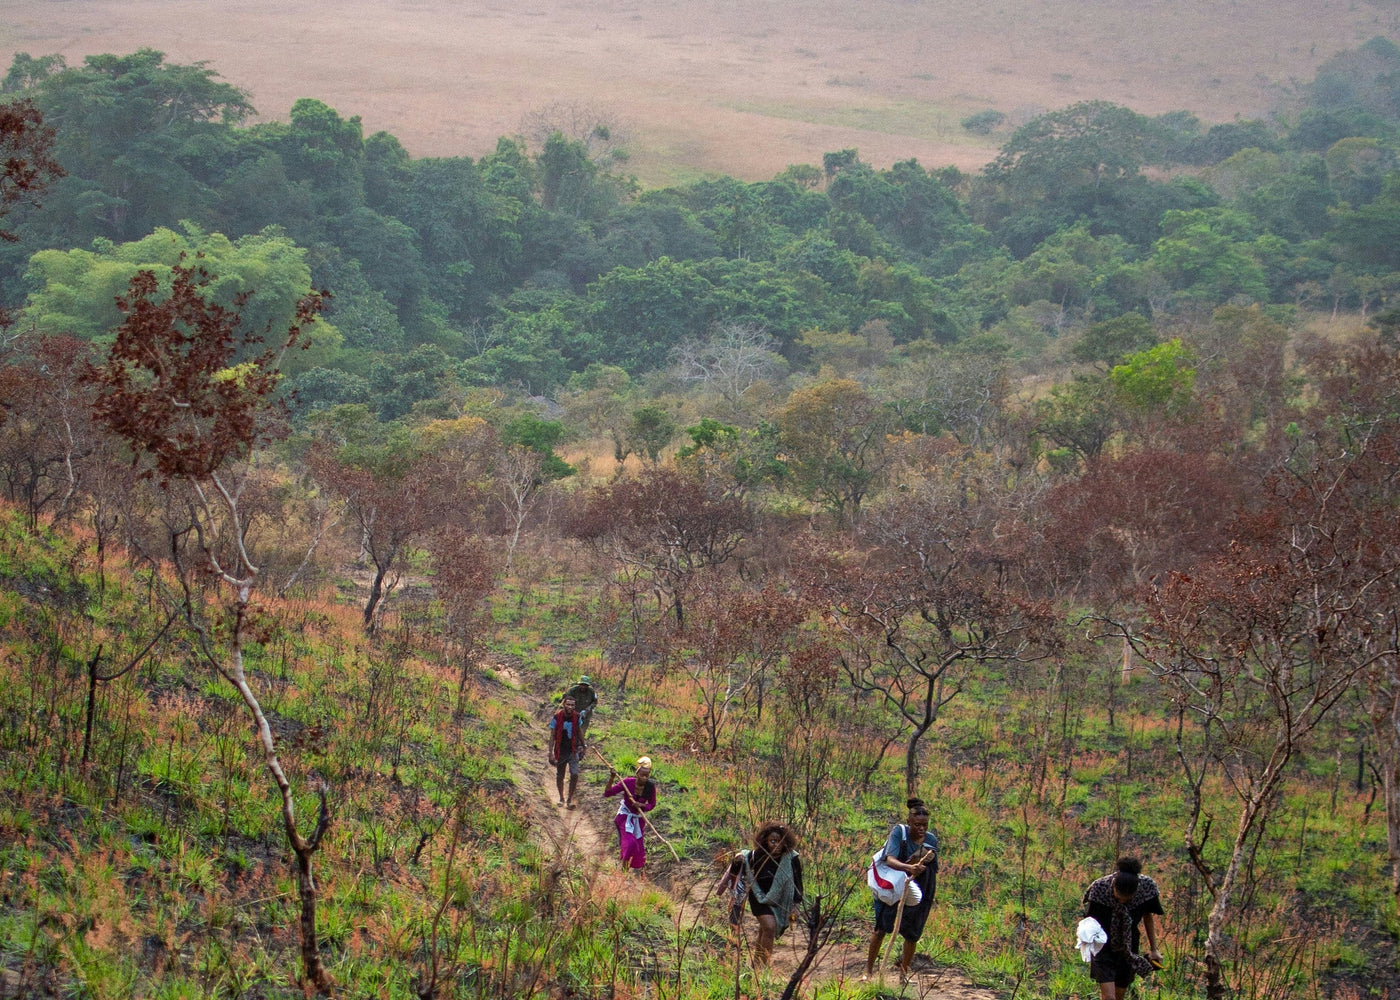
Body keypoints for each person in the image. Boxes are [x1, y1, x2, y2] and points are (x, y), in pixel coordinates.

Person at [864, 798, 939, 981]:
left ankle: (903, 974)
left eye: (924, 825)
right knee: (881, 928)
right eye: (917, 824)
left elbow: (932, 863)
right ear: (909, 821)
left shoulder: (931, 839)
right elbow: (890, 859)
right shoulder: (899, 832)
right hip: (894, 886)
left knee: (912, 934)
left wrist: (921, 865)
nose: (921, 828)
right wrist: (909, 868)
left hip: (921, 888)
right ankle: (868, 971)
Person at [713, 822, 804, 967]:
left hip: (780, 899)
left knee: (764, 932)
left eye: (780, 841)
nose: (777, 845)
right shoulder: (755, 857)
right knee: (769, 927)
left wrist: (795, 904)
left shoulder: (791, 859)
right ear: (765, 841)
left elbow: (798, 883)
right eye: (772, 841)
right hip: (758, 897)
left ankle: (756, 964)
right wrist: (737, 861)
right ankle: (763, 967)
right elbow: (737, 872)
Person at [1082, 857, 1164, 1000]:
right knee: (1109, 997)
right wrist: (1086, 942)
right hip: (1103, 947)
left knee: (1119, 996)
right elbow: (1088, 921)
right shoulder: (1100, 889)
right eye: (1118, 898)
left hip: (1128, 948)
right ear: (1113, 886)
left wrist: (1154, 949)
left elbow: (1147, 916)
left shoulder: (1146, 889)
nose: (1122, 902)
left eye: (1127, 900)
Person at [604, 756, 657, 872]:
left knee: (638, 848)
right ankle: (623, 872)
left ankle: (634, 871)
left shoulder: (650, 788)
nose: (644, 777)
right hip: (625, 817)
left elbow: (652, 804)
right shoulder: (628, 782)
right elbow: (608, 793)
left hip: (639, 819)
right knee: (630, 843)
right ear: (637, 773)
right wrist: (612, 777)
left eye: (647, 775)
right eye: (642, 774)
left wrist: (642, 806)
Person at [548, 695, 584, 808]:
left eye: (572, 705)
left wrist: (584, 745)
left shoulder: (577, 717)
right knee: (560, 775)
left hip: (573, 750)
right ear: (564, 704)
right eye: (568, 704)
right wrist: (550, 752)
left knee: (574, 774)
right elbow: (552, 735)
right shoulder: (557, 717)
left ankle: (569, 799)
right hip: (561, 750)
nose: (570, 707)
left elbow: (579, 732)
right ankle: (561, 798)